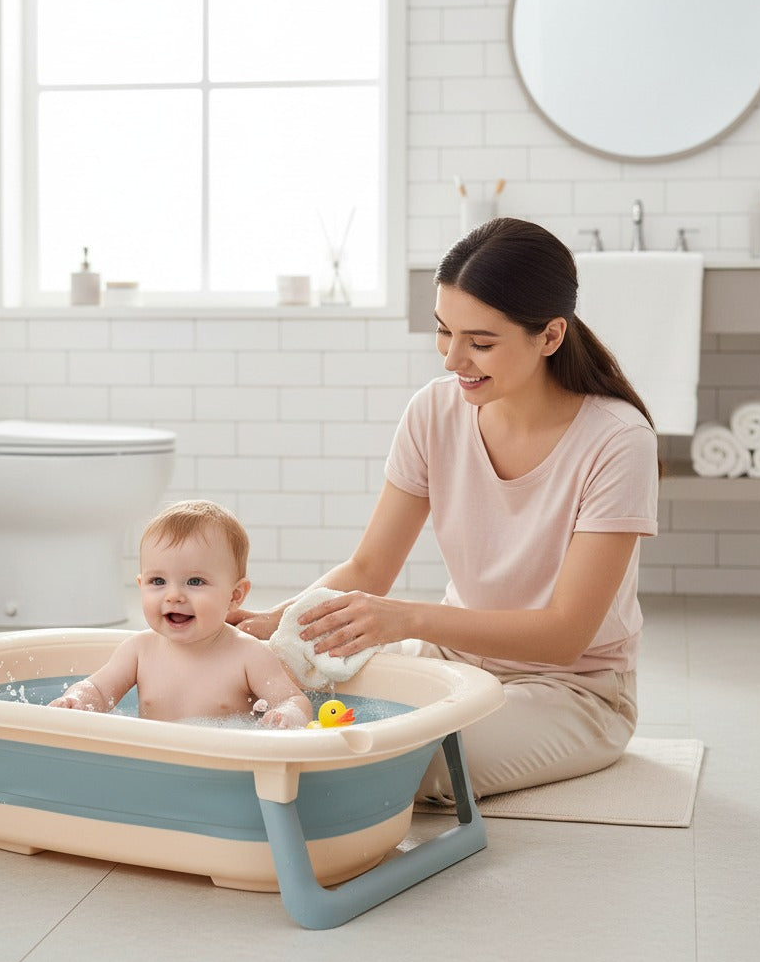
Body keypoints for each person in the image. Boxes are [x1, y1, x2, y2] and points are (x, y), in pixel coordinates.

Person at [230, 218, 660, 799]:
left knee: (400, 763)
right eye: (443, 332)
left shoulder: (617, 439)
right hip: (449, 660)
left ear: (551, 336)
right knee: (274, 699)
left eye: (480, 343)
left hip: (573, 689)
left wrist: (406, 618)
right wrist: (275, 624)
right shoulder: (434, 412)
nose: (453, 359)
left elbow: (565, 635)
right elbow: (366, 571)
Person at [50, 500, 312, 729]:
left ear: (235, 596)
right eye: (158, 581)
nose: (173, 595)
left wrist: (286, 715)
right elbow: (97, 689)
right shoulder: (138, 651)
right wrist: (77, 700)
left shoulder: (250, 656)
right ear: (141, 586)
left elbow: (293, 700)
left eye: (195, 582)